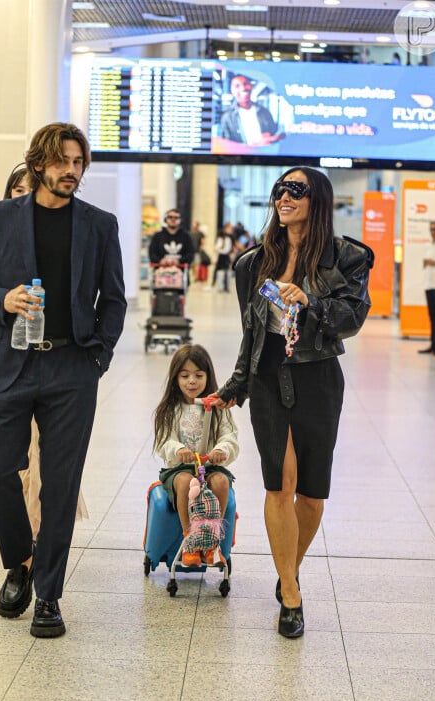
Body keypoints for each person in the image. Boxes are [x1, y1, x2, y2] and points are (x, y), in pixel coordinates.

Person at [0, 122, 127, 639]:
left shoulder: (99, 224)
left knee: (60, 484)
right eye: (61, 162)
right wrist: (2, 301)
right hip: (9, 362)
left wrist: (97, 356)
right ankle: (18, 564)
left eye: (77, 163)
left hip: (71, 369)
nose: (70, 171)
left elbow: (113, 299)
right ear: (38, 164)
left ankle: (49, 594)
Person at [212, 167, 373, 639]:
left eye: (296, 190)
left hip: (319, 378)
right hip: (267, 379)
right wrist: (235, 386)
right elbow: (252, 334)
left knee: (312, 496)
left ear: (316, 199)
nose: (284, 196)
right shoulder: (252, 263)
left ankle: (289, 569)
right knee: (278, 485)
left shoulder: (346, 256)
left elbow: (352, 317)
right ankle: (290, 591)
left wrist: (310, 302)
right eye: (280, 189)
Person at [0, 164, 88, 538]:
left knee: (42, 460)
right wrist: (3, 299)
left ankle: (38, 533)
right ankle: (18, 543)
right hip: (3, 368)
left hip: (56, 369)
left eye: (29, 190)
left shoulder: (64, 234)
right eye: (17, 190)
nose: (24, 197)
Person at [154, 344, 239, 564]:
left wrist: (222, 450)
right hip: (179, 468)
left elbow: (229, 436)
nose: (192, 381)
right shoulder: (170, 409)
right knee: (185, 483)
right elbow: (164, 440)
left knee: (221, 482)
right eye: (185, 376)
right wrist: (178, 450)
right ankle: (190, 540)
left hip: (210, 466)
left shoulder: (219, 407)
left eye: (198, 375)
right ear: (175, 378)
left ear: (208, 376)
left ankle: (212, 542)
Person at [220, 75, 278, 146]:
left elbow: (275, 134)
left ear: (251, 86)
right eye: (237, 86)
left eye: (245, 84)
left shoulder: (264, 112)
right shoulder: (227, 117)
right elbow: (226, 146)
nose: (243, 88)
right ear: (232, 91)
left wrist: (271, 138)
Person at [418, 220, 435, 356]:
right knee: (433, 317)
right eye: (431, 230)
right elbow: (425, 262)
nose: (433, 232)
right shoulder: (428, 245)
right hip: (429, 285)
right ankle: (434, 345)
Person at [213, 223, 235, 292]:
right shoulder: (219, 239)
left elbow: (229, 248)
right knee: (220, 272)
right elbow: (216, 248)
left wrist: (222, 251)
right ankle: (220, 287)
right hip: (220, 257)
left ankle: (227, 287)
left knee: (228, 273)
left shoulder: (229, 238)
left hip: (227, 256)